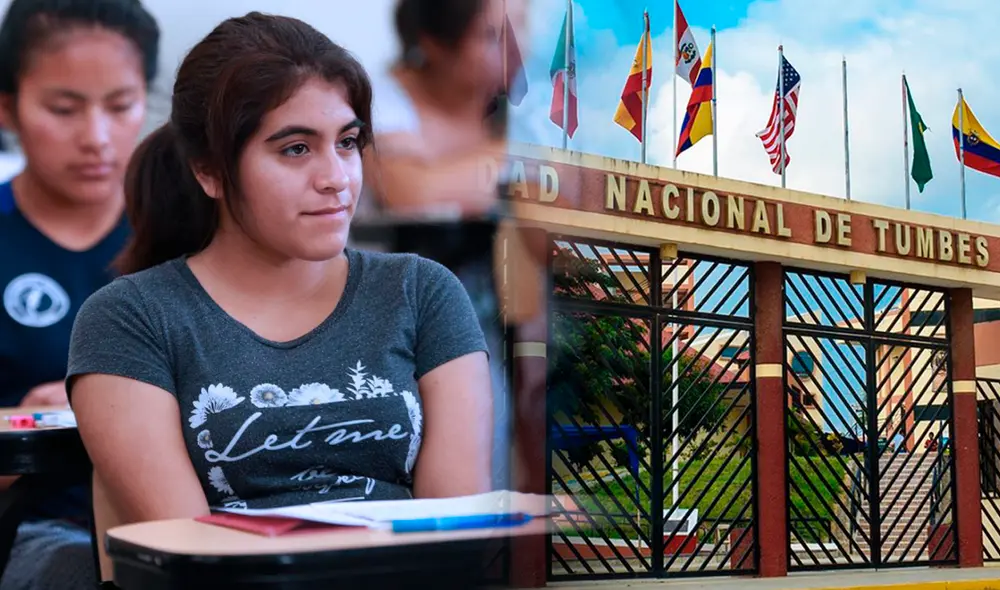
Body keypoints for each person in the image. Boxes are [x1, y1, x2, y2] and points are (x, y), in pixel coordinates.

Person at [65, 11, 494, 583]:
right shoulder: (131, 319)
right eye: (295, 149)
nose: (336, 177)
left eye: (347, 143)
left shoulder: (422, 292)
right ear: (209, 170)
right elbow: (193, 560)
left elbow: (454, 539)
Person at [0, 0, 159, 588]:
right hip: (34, 529)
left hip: (184, 517)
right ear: (7, 108)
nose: (96, 137)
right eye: (63, 109)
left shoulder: (190, 235)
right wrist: (25, 421)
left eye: (121, 106)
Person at [361, 0, 519, 490]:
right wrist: (527, 155)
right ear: (434, 43)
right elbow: (412, 192)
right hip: (394, 320)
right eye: (491, 36)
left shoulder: (520, 106)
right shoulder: (380, 98)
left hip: (509, 310)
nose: (516, 49)